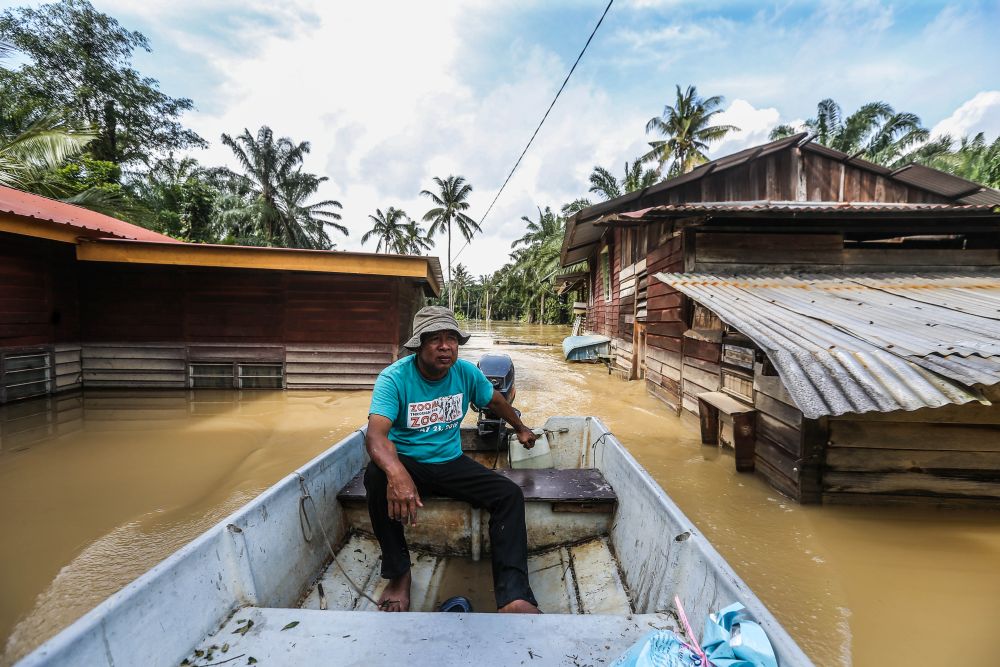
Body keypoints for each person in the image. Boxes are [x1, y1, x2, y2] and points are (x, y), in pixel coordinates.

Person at [364, 305, 540, 614]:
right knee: (375, 477)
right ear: (419, 344)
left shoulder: (466, 372)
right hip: (408, 462)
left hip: (451, 461)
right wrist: (397, 472)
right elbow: (376, 437)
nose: (446, 346)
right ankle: (399, 574)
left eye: (452, 338)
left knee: (509, 495)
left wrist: (521, 428)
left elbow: (496, 401)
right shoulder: (394, 378)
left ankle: (514, 595)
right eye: (435, 339)